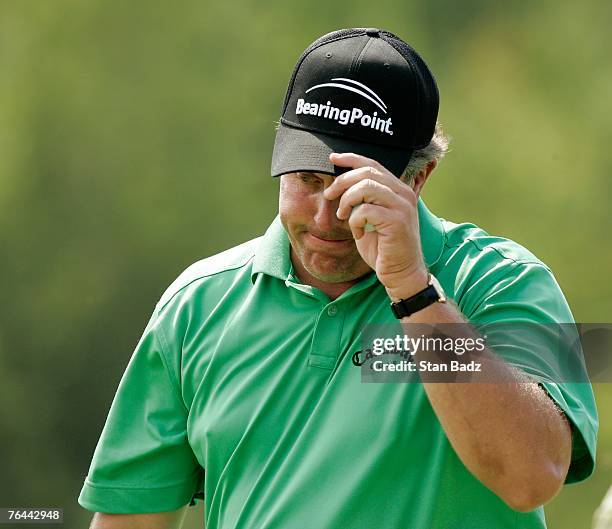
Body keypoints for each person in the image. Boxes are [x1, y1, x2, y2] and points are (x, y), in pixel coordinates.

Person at [78, 28, 598, 529]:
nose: (327, 218)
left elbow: (533, 476)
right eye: (308, 180)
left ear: (417, 179)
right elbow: (133, 517)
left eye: (356, 189)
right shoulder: (197, 304)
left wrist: (413, 290)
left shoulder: (505, 281)